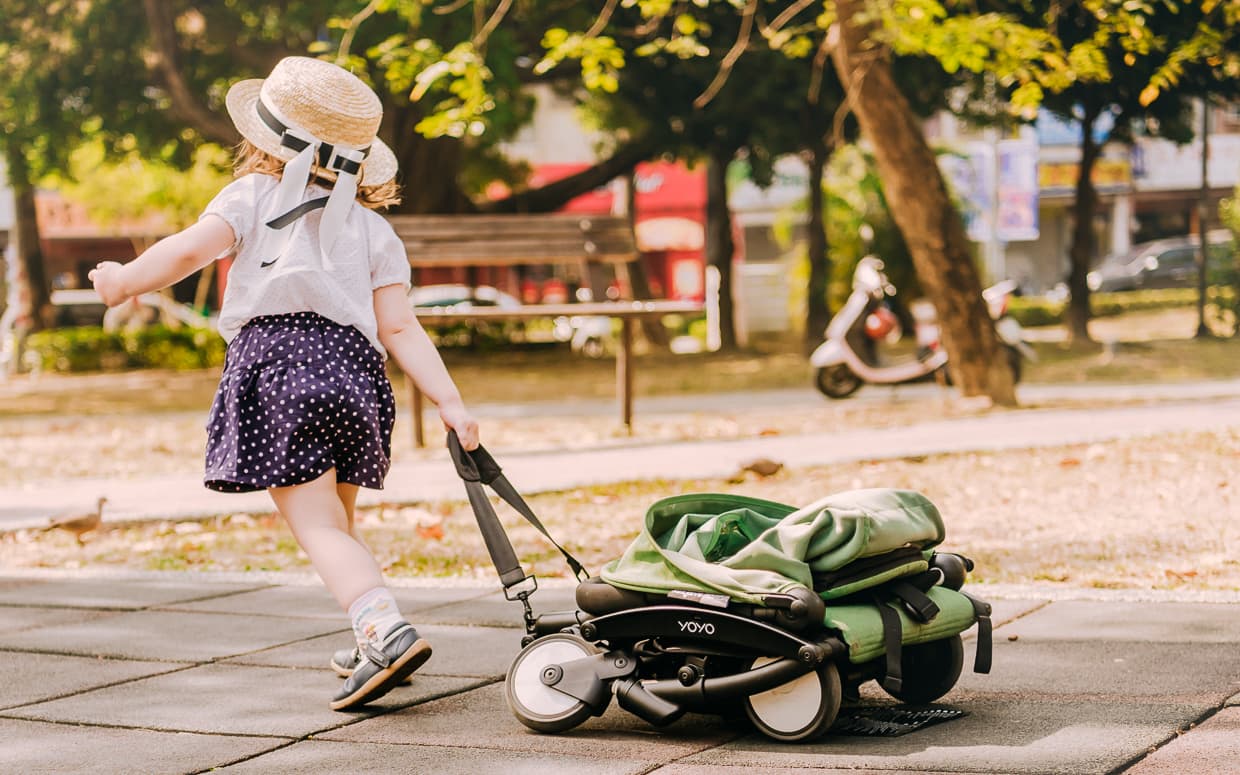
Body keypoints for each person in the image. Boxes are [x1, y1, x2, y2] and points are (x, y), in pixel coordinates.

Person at [89, 56, 479, 712]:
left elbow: (187, 252)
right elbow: (402, 328)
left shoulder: (250, 197)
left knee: (318, 528)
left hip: (279, 370)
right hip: (356, 376)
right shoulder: (376, 229)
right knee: (341, 519)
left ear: (262, 140)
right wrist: (450, 400)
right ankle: (369, 634)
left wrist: (123, 280)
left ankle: (385, 628)